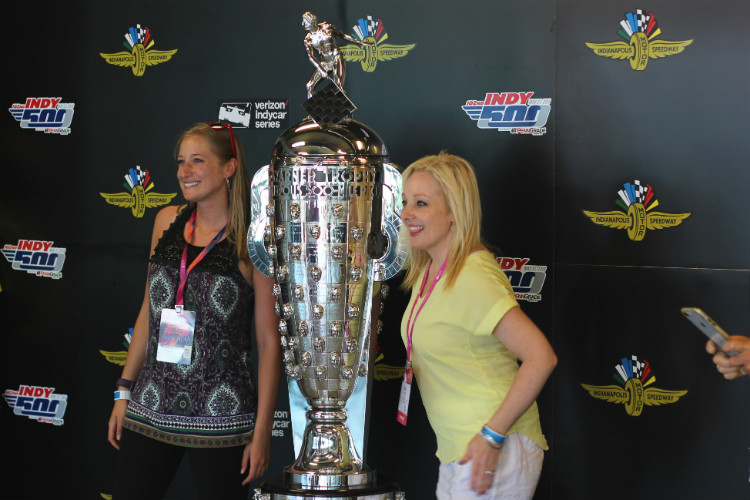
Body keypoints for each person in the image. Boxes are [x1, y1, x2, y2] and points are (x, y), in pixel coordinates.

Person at [107, 122, 281, 499]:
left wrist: (262, 432)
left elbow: (269, 342)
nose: (185, 171)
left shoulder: (253, 239)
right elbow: (147, 313)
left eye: (197, 161)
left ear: (229, 168)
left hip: (222, 413)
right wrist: (124, 391)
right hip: (151, 404)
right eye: (181, 162)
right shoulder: (166, 221)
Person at [398, 152, 557, 499]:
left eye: (421, 203)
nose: (406, 213)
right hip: (460, 447)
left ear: (455, 212)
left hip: (497, 445)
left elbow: (541, 357)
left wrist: (492, 435)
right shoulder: (430, 268)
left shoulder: (474, 276)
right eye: (405, 201)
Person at [302, 11, 370, 99]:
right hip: (324, 63)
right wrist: (321, 70)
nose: (303, 24)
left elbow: (342, 35)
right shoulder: (308, 39)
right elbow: (310, 57)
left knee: (338, 86)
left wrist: (360, 42)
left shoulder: (327, 26)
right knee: (309, 86)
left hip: (336, 57)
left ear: (311, 21)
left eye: (305, 21)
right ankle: (313, 112)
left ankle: (345, 109)